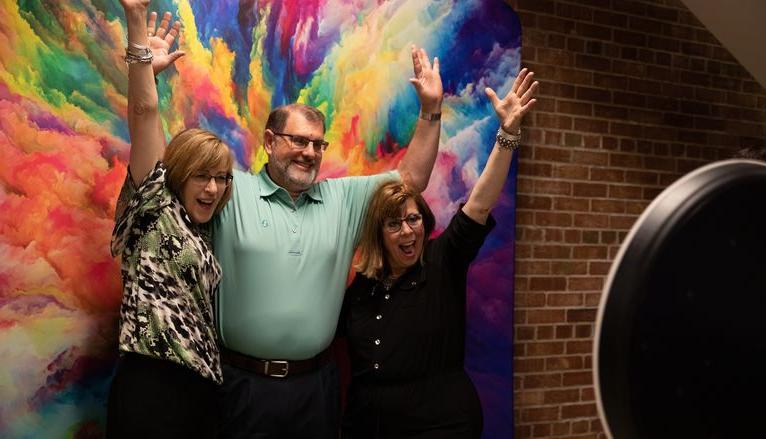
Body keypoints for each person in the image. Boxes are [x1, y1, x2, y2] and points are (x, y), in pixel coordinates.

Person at [212, 49, 444, 437]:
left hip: (316, 388)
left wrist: (431, 111)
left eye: (318, 145)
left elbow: (411, 179)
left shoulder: (341, 200)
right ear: (269, 141)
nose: (310, 153)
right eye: (299, 141)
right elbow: (158, 181)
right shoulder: (230, 191)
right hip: (242, 385)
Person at [340, 68, 538, 438]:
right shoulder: (360, 288)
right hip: (369, 426)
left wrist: (508, 134)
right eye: (394, 224)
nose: (407, 230)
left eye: (413, 219)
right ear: (379, 234)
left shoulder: (442, 260)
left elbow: (479, 204)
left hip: (441, 424)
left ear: (424, 221)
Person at [106, 2, 231, 438]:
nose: (213, 188)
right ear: (177, 174)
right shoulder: (154, 203)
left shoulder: (200, 228)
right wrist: (138, 30)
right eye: (201, 175)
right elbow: (144, 115)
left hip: (200, 390)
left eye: (221, 178)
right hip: (154, 388)